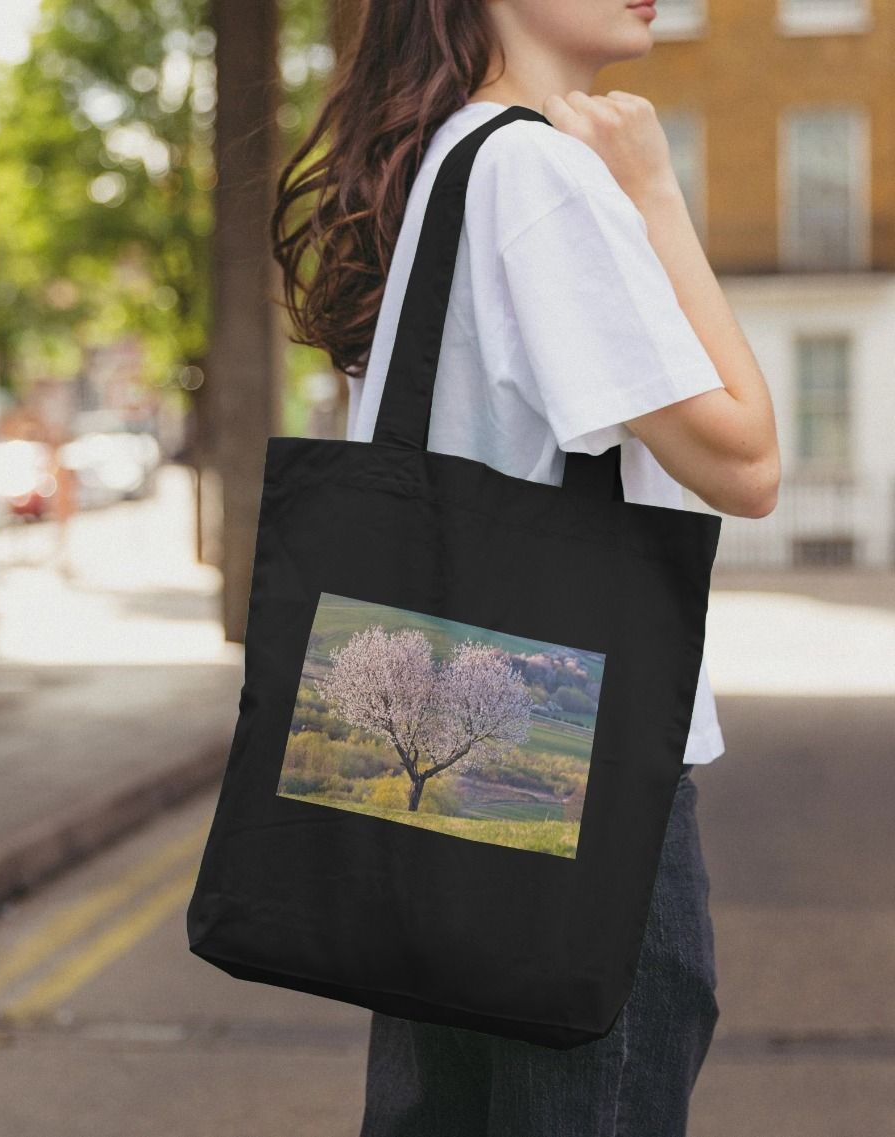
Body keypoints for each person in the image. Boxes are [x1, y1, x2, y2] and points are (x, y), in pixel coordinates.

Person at [270, 1, 780, 1133]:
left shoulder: (445, 161)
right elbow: (747, 462)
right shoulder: (545, 175)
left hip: (444, 792)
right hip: (583, 788)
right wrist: (656, 197)